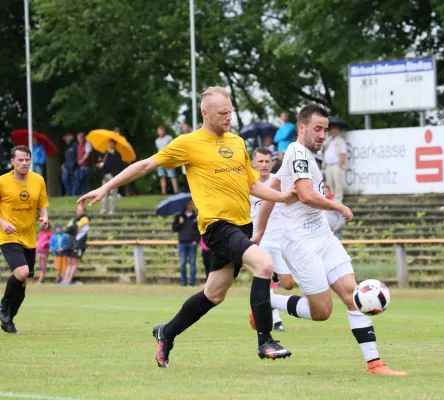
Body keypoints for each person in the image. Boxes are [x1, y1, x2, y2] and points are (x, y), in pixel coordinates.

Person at [78, 86, 297, 368]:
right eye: (222, 113)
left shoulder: (237, 142)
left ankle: (166, 332)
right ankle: (266, 341)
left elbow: (253, 184)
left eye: (230, 112)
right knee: (264, 266)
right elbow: (145, 166)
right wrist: (106, 187)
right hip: (217, 226)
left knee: (214, 294)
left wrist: (281, 197)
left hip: (242, 226)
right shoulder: (188, 143)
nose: (228, 117)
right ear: (205, 113)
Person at [251, 104, 407, 376]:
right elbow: (306, 195)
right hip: (300, 244)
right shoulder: (298, 153)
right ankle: (267, 303)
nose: (322, 134)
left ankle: (375, 363)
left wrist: (260, 231)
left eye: (325, 129)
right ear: (302, 128)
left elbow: (269, 194)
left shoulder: (303, 156)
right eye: (317, 129)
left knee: (353, 295)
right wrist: (339, 207)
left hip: (323, 237)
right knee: (322, 311)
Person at [0, 145, 49, 334]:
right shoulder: (3, 181)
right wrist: (2, 223)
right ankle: (3, 306)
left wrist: (44, 217)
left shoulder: (38, 180)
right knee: (21, 273)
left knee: (23, 282)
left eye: (27, 159)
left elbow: (42, 204)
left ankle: (8, 321)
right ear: (12, 161)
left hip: (29, 237)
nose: (24, 163)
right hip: (8, 236)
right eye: (20, 159)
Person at [251, 147, 296, 332]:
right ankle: (275, 321)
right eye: (260, 161)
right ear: (253, 163)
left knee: (288, 284)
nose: (263, 165)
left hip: (281, 239)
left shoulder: (279, 182)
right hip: (260, 240)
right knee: (264, 279)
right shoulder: (249, 184)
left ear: (272, 163)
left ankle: (266, 303)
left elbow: (291, 202)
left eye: (267, 161)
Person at [172, 199, 201, 287]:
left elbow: (199, 230)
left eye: (192, 204)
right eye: (189, 204)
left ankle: (192, 282)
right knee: (182, 262)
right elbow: (174, 228)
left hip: (192, 243)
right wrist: (180, 223)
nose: (190, 206)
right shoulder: (179, 216)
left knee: (192, 263)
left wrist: (196, 241)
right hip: (182, 242)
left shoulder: (196, 217)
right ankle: (183, 282)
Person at [61, 204, 90, 285]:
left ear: (84, 211)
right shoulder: (73, 219)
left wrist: (73, 229)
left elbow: (74, 228)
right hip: (71, 243)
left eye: (81, 210)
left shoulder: (85, 219)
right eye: (78, 209)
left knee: (74, 262)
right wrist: (72, 229)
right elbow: (68, 229)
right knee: (69, 262)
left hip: (79, 243)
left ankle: (68, 280)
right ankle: (64, 280)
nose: (79, 211)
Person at [97, 139, 123, 215]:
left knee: (113, 194)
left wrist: (115, 175)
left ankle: (112, 210)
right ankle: (104, 209)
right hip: (105, 176)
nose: (110, 145)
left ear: (115, 144)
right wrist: (100, 165)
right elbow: (98, 163)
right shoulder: (105, 153)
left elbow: (119, 167)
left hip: (113, 176)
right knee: (104, 193)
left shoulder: (118, 155)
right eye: (110, 143)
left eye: (112, 143)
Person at [323, 123, 347, 201]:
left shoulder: (340, 140)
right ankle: (331, 200)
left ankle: (338, 200)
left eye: (335, 130)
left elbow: (343, 153)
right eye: (332, 130)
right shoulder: (328, 140)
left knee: (337, 183)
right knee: (329, 184)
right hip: (328, 165)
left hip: (336, 165)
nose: (333, 131)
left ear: (337, 131)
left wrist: (340, 164)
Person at [155, 126, 179, 195]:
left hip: (168, 158)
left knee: (172, 175)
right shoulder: (157, 141)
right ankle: (163, 192)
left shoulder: (169, 138)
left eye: (162, 130)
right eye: (159, 131)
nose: (161, 132)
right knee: (162, 176)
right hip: (160, 159)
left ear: (164, 131)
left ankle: (176, 191)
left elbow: (173, 146)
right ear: (157, 132)